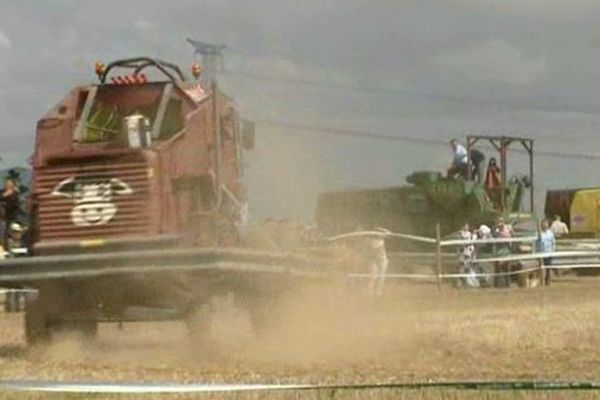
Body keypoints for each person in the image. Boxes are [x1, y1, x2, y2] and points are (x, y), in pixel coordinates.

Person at [0, 178, 20, 250]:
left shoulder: (15, 193)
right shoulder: (2, 192)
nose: (8, 184)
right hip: (2, 216)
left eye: (9, 183)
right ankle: (3, 248)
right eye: (6, 183)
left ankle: (10, 247)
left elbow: (16, 205)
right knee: (3, 232)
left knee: (10, 232)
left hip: (11, 216)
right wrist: (4, 195)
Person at [537, 219, 556, 286]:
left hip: (549, 253)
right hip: (541, 253)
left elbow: (553, 242)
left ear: (548, 225)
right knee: (541, 268)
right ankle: (542, 281)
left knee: (548, 268)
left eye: (546, 224)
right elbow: (536, 243)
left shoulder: (550, 233)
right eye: (543, 224)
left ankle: (548, 281)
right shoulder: (539, 234)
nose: (545, 225)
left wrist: (553, 250)